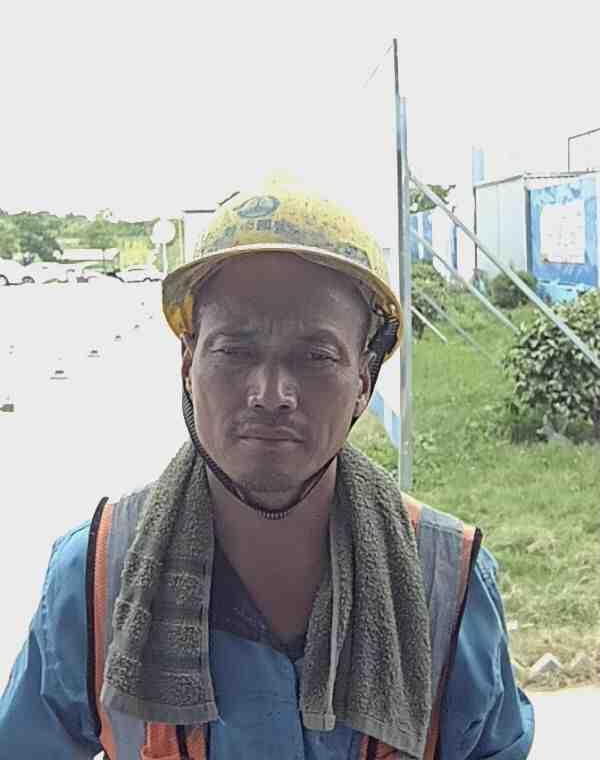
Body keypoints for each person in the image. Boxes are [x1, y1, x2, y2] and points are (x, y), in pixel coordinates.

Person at [0, 178, 534, 759]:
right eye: (235, 350)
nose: (271, 394)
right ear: (188, 363)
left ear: (364, 380)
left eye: (315, 356)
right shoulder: (97, 573)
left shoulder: (447, 580)